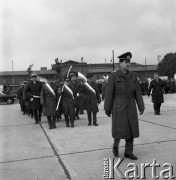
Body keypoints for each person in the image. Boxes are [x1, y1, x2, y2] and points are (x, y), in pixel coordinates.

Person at [104, 52, 145, 160]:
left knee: (131, 129)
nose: (128, 64)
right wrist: (107, 108)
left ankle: (128, 152)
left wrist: (141, 105)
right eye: (126, 62)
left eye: (129, 62)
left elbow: (138, 91)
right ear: (120, 63)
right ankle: (115, 145)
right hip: (118, 105)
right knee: (119, 129)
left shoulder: (133, 75)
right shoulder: (114, 76)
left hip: (130, 104)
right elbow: (109, 92)